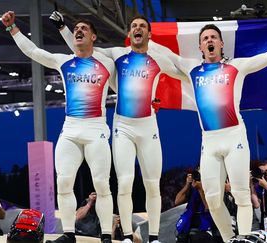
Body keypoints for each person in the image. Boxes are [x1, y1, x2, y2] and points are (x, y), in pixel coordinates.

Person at [149, 13, 267, 242]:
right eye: (205, 38)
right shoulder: (192, 69)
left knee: (241, 193)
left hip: (235, 137)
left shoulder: (236, 67)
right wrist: (146, 38)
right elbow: (167, 56)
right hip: (209, 141)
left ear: (221, 44)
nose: (210, 40)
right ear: (200, 46)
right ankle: (228, 239)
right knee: (213, 199)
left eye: (214, 37)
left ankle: (243, 237)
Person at [52, 12, 185, 243]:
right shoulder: (117, 55)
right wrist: (64, 28)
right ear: (129, 33)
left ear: (148, 34)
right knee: (124, 183)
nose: (137, 28)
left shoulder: (158, 60)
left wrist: (211, 69)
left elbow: (184, 74)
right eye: (133, 25)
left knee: (152, 185)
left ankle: (153, 237)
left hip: (148, 127)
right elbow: (82, 49)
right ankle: (125, 235)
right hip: (122, 126)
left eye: (142, 26)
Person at [1, 11, 115, 243]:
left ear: (94, 37)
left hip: (96, 129)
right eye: (76, 29)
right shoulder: (65, 62)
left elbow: (128, 87)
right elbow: (33, 52)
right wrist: (12, 28)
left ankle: (105, 235)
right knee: (63, 182)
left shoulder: (107, 63)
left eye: (84, 28)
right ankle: (70, 234)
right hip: (71, 128)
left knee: (102, 183)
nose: (79, 31)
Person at [174, 169, 215, 243]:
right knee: (181, 238)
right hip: (191, 218)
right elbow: (177, 201)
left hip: (204, 219)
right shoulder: (192, 187)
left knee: (198, 239)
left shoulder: (209, 187)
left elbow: (207, 207)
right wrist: (187, 185)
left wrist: (200, 189)